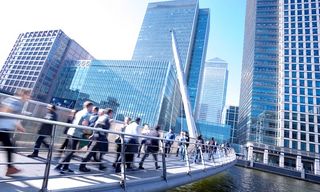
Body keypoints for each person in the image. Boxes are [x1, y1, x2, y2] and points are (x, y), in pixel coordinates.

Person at [55, 101, 93, 173]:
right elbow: (84, 125)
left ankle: (65, 167)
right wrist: (88, 132)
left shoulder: (79, 112)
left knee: (69, 150)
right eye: (91, 107)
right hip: (77, 133)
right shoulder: (87, 114)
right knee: (70, 151)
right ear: (89, 106)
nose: (92, 109)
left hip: (71, 131)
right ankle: (59, 166)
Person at [0, 89, 30, 176]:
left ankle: (10, 168)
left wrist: (18, 126)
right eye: (28, 95)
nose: (29, 97)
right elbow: (5, 111)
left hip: (4, 128)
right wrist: (19, 126)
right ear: (23, 94)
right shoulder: (17, 101)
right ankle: (10, 168)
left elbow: (9, 114)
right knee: (9, 148)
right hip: (3, 128)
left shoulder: (12, 99)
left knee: (9, 148)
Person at [79, 108, 113, 172]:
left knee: (100, 152)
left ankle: (100, 165)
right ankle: (82, 166)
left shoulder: (102, 117)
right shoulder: (106, 118)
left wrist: (94, 135)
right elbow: (99, 126)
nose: (112, 115)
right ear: (110, 113)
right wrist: (99, 135)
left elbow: (96, 126)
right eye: (112, 113)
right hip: (100, 138)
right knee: (91, 152)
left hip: (98, 137)